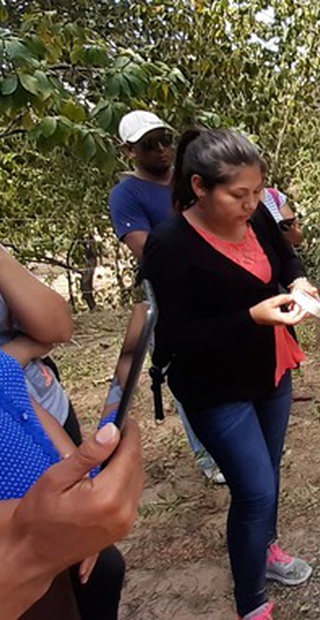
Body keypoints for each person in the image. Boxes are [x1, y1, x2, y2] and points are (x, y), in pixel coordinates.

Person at [142, 128, 317, 620]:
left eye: (258, 192)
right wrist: (251, 318)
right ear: (199, 187)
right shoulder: (170, 244)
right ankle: (251, 604)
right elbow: (177, 336)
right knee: (255, 488)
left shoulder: (256, 214)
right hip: (214, 386)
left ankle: (267, 548)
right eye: (239, 195)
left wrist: (299, 282)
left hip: (270, 368)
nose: (252, 203)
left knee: (270, 466)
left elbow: (285, 256)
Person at [0, 244, 127, 619]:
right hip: (22, 529)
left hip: (39, 473)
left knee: (102, 570)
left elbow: (56, 328)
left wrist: (80, 485)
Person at [109, 109, 225, 485]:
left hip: (217, 288)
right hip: (171, 298)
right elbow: (149, 252)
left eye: (165, 140)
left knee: (225, 362)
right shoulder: (127, 194)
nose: (161, 149)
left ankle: (235, 442)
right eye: (149, 145)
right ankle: (207, 455)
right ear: (129, 151)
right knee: (187, 374)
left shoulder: (191, 181)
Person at [0, 344, 144, 619]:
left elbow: (17, 396)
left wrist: (79, 472)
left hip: (57, 548)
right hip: (24, 585)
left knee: (105, 572)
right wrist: (30, 545)